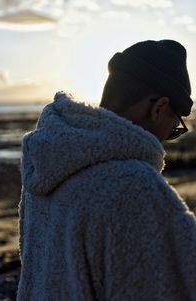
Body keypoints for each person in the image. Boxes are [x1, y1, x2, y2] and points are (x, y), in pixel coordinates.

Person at [17, 40, 196, 301]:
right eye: (175, 128)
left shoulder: (47, 163)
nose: (167, 139)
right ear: (158, 108)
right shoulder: (135, 187)